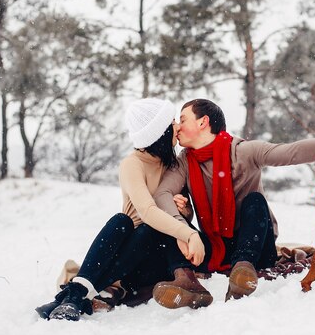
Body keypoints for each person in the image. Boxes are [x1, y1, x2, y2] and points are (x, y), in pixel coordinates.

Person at [35, 98, 207, 321]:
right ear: (160, 132)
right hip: (129, 260)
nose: (177, 126)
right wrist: (189, 234)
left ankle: (73, 295)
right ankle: (75, 296)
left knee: (150, 229)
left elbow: (183, 214)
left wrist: (184, 213)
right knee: (122, 221)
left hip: (160, 257)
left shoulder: (173, 164)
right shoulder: (132, 164)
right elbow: (146, 211)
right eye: (172, 121)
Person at [151, 99, 315, 309]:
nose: (177, 126)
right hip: (214, 246)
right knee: (164, 223)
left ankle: (243, 272)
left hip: (256, 247)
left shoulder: (243, 151)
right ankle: (187, 282)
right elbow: (162, 194)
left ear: (203, 122)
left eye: (182, 119)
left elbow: (291, 152)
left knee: (255, 201)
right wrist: (182, 228)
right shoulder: (184, 161)